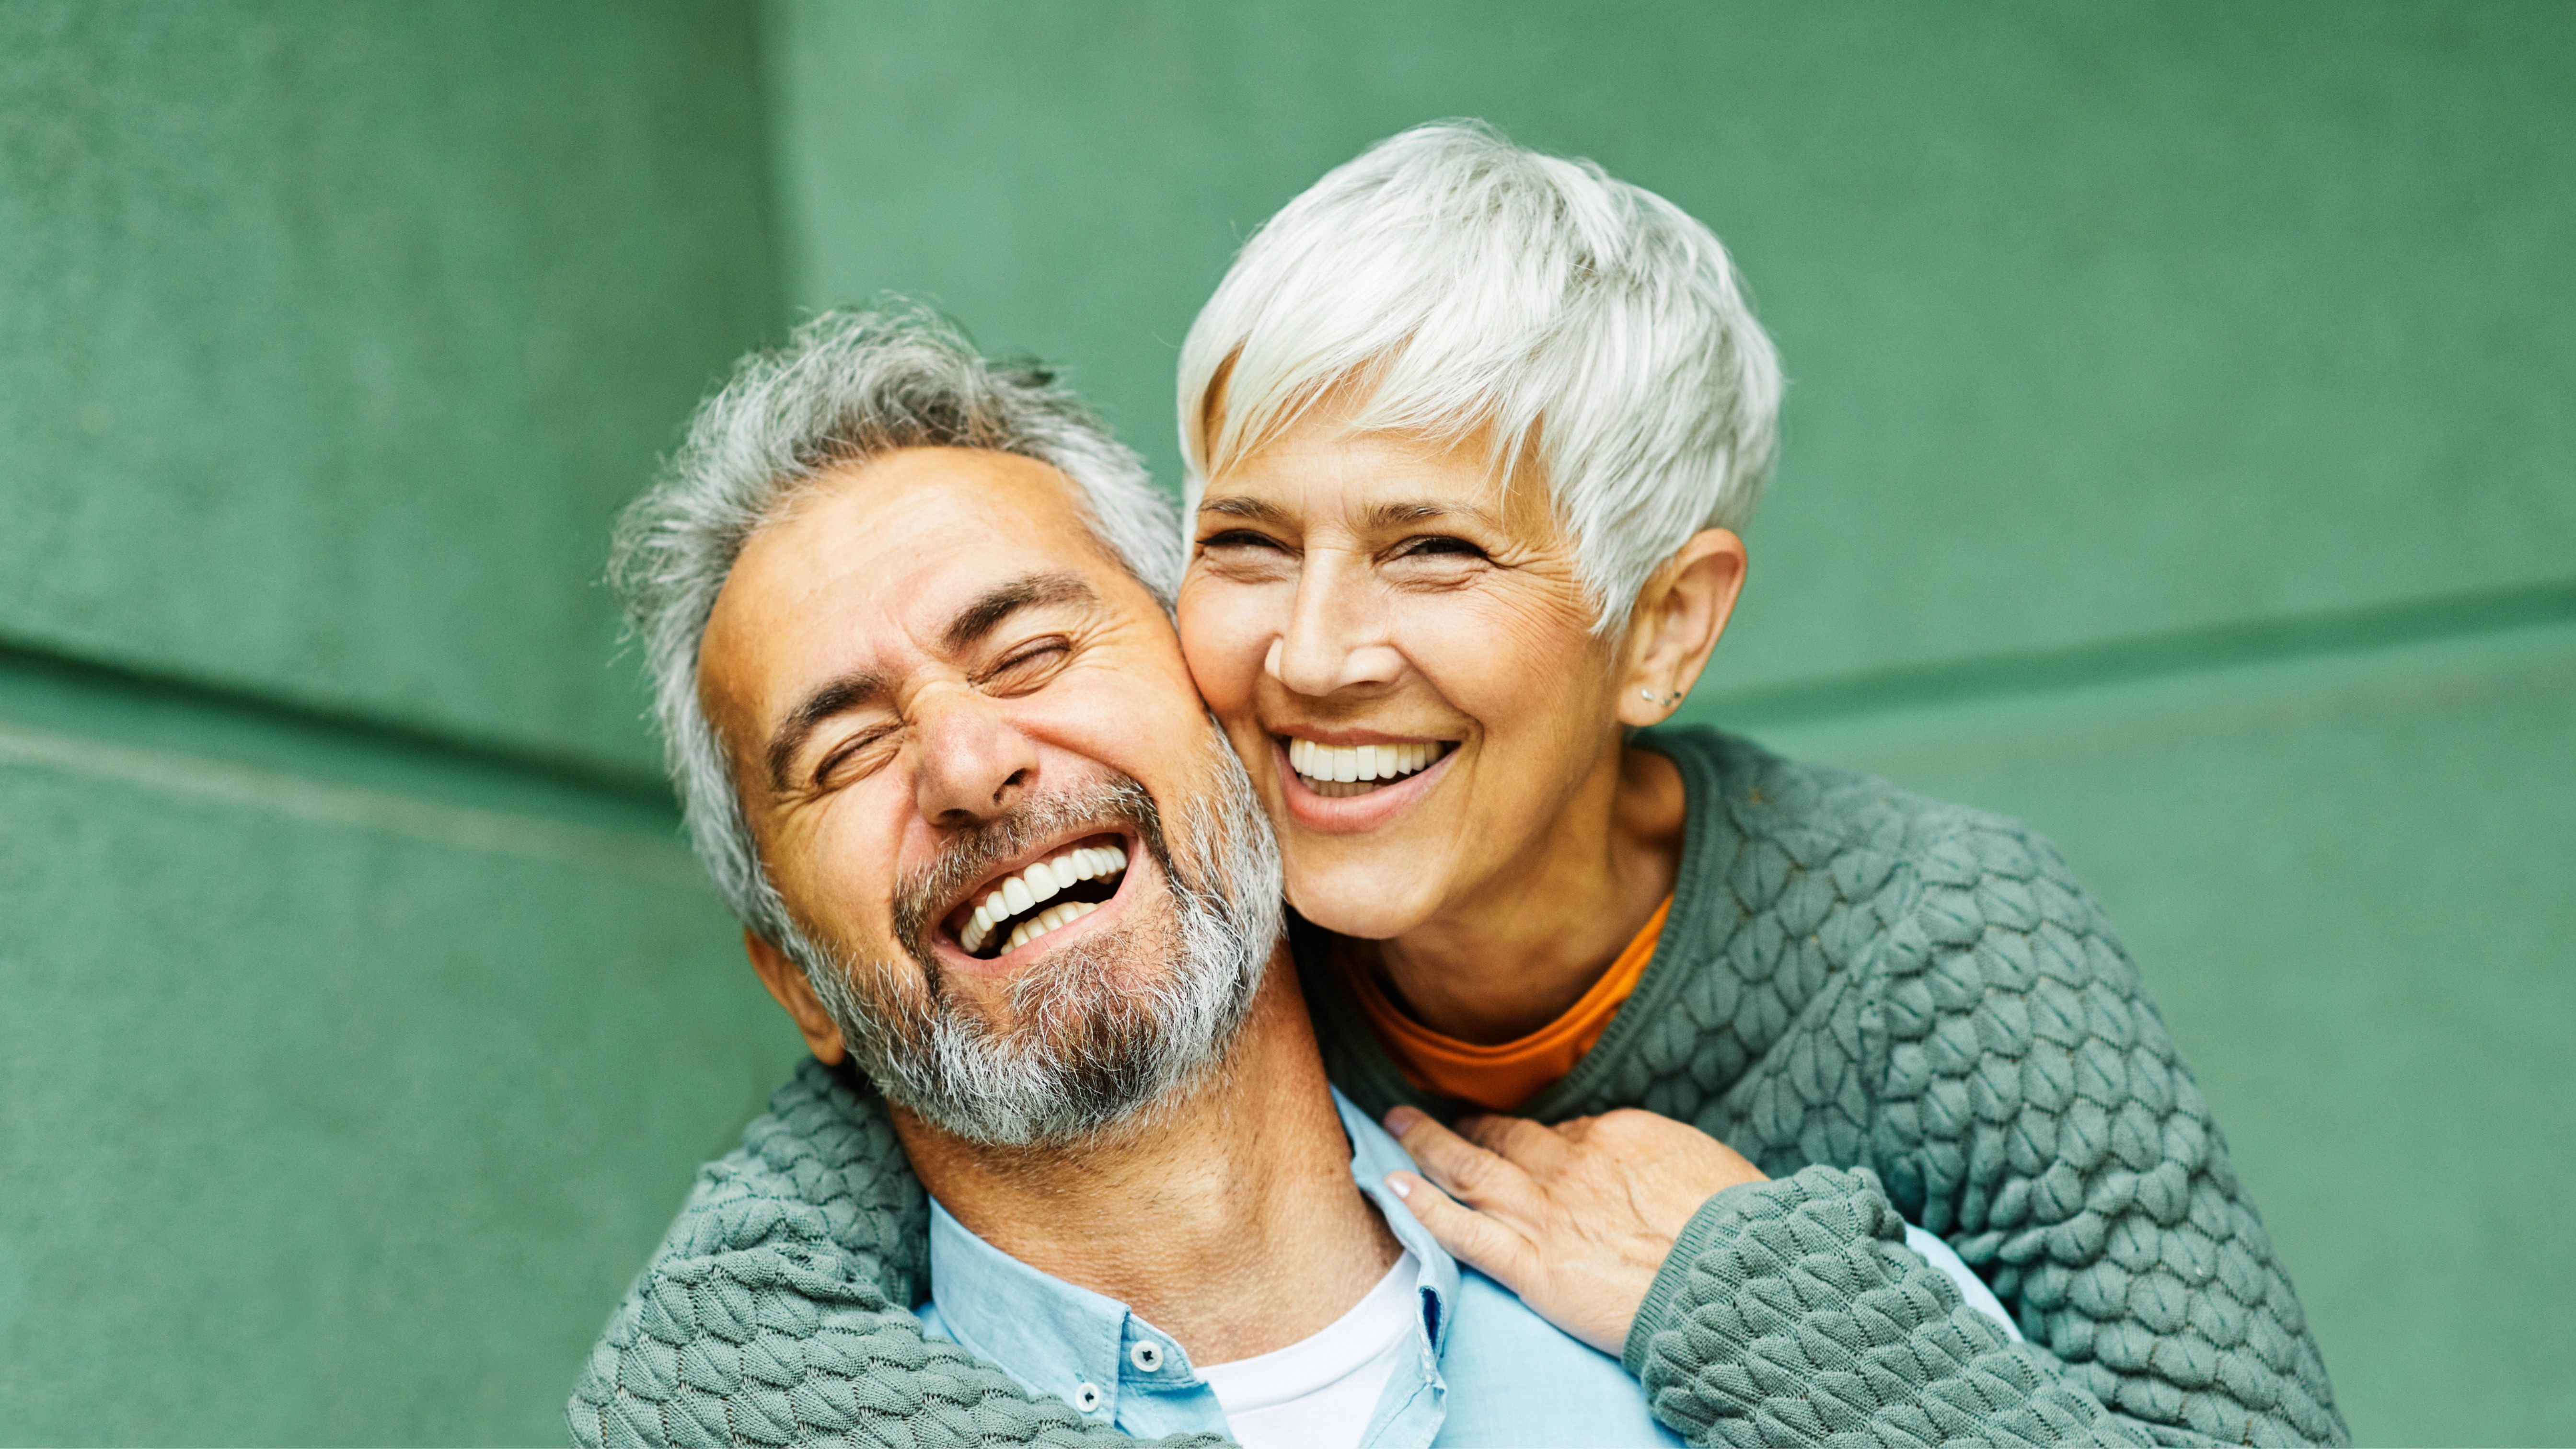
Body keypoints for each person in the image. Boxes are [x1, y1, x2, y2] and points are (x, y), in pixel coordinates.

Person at [575, 124, 2345, 1448]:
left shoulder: (1929, 983)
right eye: (1252, 546)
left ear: (1660, 630)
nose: (1319, 655)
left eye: (1435, 552)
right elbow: (699, 1358)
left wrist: (1754, 1305)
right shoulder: (1064, 982)